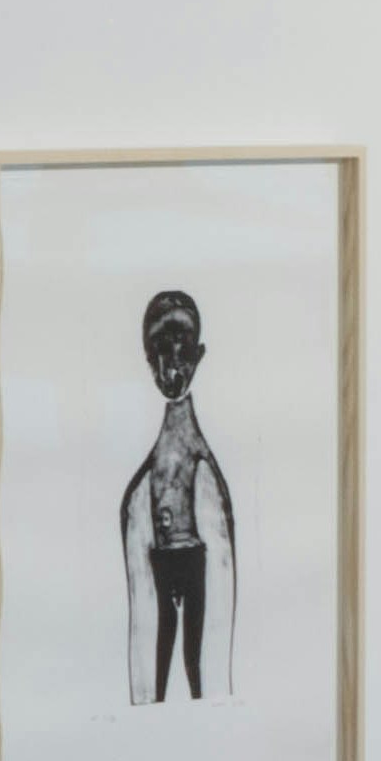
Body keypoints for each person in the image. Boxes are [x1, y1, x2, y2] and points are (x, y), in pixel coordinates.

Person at [119, 289, 237, 703]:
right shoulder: (153, 472)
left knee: (197, 659)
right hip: (164, 560)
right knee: (160, 651)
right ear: (147, 358)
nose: (169, 363)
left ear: (198, 355)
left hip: (194, 559)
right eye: (158, 347)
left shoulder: (198, 464)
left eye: (181, 345)